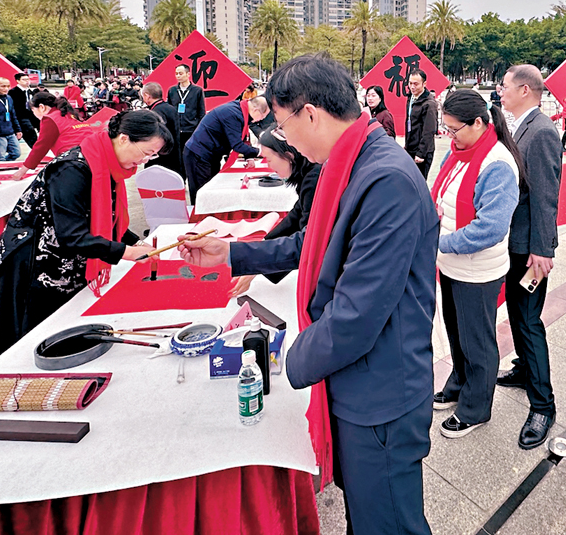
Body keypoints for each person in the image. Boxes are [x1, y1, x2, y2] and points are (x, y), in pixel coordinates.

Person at [178, 54, 437, 535]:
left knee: (389, 523)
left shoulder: (386, 180)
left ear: (311, 113)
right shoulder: (353, 161)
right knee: (366, 516)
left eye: (281, 124)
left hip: (379, 389)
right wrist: (230, 254)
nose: (279, 140)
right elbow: (311, 244)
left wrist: (283, 363)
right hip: (358, 377)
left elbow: (356, 316)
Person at [0, 110, 171, 360]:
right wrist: (127, 252)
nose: (144, 162)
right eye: (145, 153)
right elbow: (72, 234)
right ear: (124, 138)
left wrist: (136, 242)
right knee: (30, 341)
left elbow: (107, 219)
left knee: (65, 333)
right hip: (32, 261)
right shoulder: (72, 169)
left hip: (65, 257)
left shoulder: (106, 164)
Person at [432, 90, 523, 438]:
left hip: (477, 268)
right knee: (456, 333)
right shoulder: (458, 153)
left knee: (478, 341)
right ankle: (458, 384)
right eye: (447, 129)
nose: (449, 136)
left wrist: (439, 242)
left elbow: (491, 227)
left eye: (455, 129)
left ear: (480, 123)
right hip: (451, 262)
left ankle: (476, 407)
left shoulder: (497, 163)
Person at [496, 64, 562, 449]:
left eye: (505, 86)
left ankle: (543, 405)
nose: (500, 92)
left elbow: (545, 195)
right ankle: (524, 369)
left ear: (524, 89)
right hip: (514, 242)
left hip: (528, 248)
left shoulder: (540, 131)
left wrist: (542, 249)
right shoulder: (521, 124)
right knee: (518, 317)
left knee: (528, 320)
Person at [229, 126, 323, 296]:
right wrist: (262, 249)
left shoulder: (314, 178)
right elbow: (296, 215)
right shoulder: (309, 173)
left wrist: (257, 260)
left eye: (268, 159)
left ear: (288, 155)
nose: (267, 165)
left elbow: (308, 240)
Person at [183, 96, 270, 204]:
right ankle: (199, 218)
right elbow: (237, 145)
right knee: (202, 193)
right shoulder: (233, 114)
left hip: (211, 154)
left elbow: (243, 137)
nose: (261, 120)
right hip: (198, 154)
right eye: (262, 116)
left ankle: (210, 215)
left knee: (212, 189)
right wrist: (260, 152)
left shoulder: (241, 111)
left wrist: (249, 157)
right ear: (255, 110)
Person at [11, 91, 89, 180]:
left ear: (41, 107)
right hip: (91, 155)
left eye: (33, 111)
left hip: (75, 161)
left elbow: (41, 147)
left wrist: (22, 171)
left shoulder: (51, 118)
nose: (34, 115)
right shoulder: (70, 113)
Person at [167, 64, 207, 169]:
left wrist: (200, 129)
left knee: (191, 157)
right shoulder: (172, 90)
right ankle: (181, 180)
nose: (178, 76)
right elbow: (169, 110)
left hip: (191, 129)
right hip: (176, 130)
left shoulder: (197, 90)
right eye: (176, 74)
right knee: (177, 159)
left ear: (188, 74)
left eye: (180, 73)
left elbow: (201, 111)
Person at [141, 82, 182, 177]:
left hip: (161, 157)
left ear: (147, 96)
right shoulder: (171, 108)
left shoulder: (155, 112)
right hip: (174, 154)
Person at [405, 69, 437, 179]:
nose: (412, 87)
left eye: (416, 84)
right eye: (410, 83)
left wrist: (421, 153)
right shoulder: (411, 98)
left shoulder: (429, 104)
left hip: (422, 151)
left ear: (424, 84)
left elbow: (429, 131)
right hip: (411, 148)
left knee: (419, 183)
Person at [9, 73, 39, 147]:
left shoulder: (31, 92)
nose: (27, 81)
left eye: (28, 79)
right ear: (18, 81)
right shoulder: (13, 92)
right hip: (21, 117)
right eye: (24, 79)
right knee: (31, 136)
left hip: (32, 116)